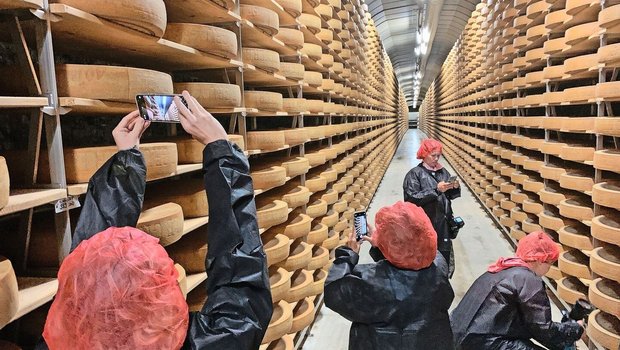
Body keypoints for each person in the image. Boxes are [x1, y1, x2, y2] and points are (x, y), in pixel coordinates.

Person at [40, 91, 273, 349]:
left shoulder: (64, 335)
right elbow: (243, 290)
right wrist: (220, 149)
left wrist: (126, 162)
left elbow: (91, 269)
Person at [324, 201, 455, 350]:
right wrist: (382, 246)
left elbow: (334, 290)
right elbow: (410, 254)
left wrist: (349, 254)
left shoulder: (372, 282)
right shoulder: (440, 269)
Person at [450, 231, 584, 350]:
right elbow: (542, 329)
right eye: (550, 263)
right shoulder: (528, 280)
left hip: (457, 336)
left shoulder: (503, 269)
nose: (549, 269)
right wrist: (575, 330)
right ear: (539, 260)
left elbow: (531, 325)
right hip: (482, 342)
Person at [403, 138, 461, 277]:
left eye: (438, 156)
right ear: (424, 154)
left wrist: (454, 187)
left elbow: (450, 197)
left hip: (443, 224)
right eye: (433, 155)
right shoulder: (414, 174)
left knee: (443, 254)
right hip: (424, 224)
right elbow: (412, 199)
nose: (436, 159)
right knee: (426, 255)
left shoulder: (443, 172)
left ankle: (442, 281)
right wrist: (436, 190)